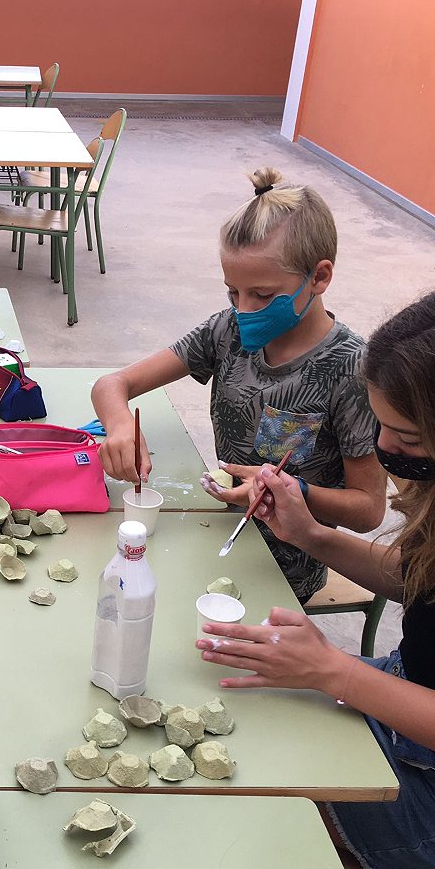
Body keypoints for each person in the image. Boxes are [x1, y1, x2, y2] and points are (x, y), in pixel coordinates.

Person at [197, 285, 435, 869]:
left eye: (409, 438)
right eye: (382, 424)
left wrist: (335, 671)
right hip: (410, 709)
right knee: (229, 710)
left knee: (236, 805)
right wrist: (310, 534)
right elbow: (429, 583)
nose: (383, 448)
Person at [92, 167, 386, 602]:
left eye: (263, 296)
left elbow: (368, 509)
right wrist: (120, 428)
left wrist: (292, 491)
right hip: (217, 525)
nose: (245, 309)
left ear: (320, 277)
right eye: (233, 292)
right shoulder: (227, 331)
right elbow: (112, 384)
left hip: (287, 564)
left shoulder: (350, 369)